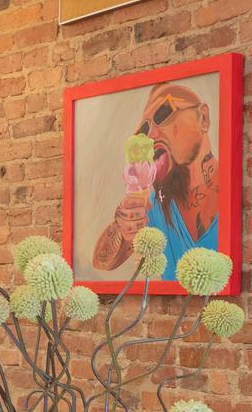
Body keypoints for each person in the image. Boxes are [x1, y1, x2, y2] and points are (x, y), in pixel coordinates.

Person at [93, 81, 220, 276]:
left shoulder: (238, 190)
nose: (150, 135)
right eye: (144, 129)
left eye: (163, 112)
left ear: (203, 118)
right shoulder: (153, 206)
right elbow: (102, 262)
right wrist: (123, 228)